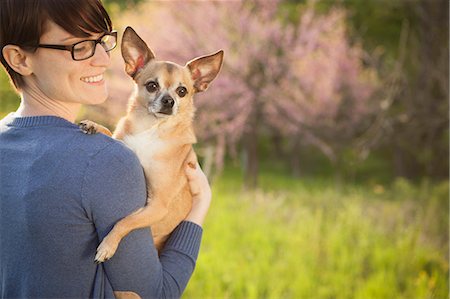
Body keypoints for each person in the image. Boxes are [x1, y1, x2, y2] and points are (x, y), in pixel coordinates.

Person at [0, 0, 212, 298]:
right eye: (80, 47)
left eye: (102, 41)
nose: (102, 59)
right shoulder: (107, 161)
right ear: (20, 59)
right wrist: (200, 205)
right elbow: (156, 294)